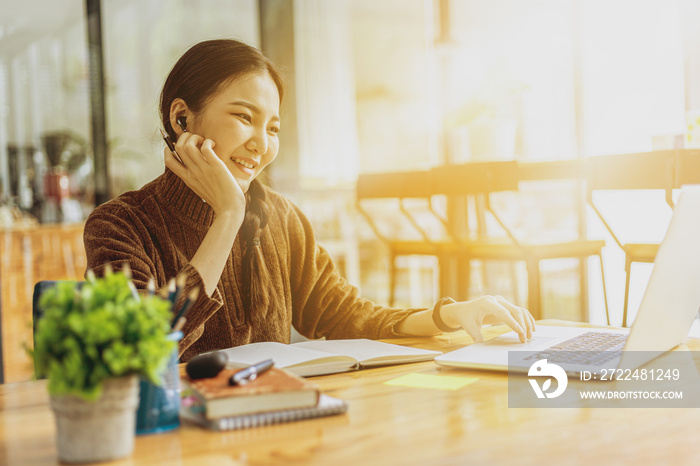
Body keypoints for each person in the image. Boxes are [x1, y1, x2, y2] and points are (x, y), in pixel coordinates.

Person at [84, 39, 534, 361]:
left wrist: (450, 314)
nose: (261, 144)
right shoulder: (119, 225)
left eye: (274, 128)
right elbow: (139, 350)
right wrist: (227, 217)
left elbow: (343, 315)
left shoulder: (282, 219)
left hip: (279, 424)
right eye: (244, 118)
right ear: (181, 118)